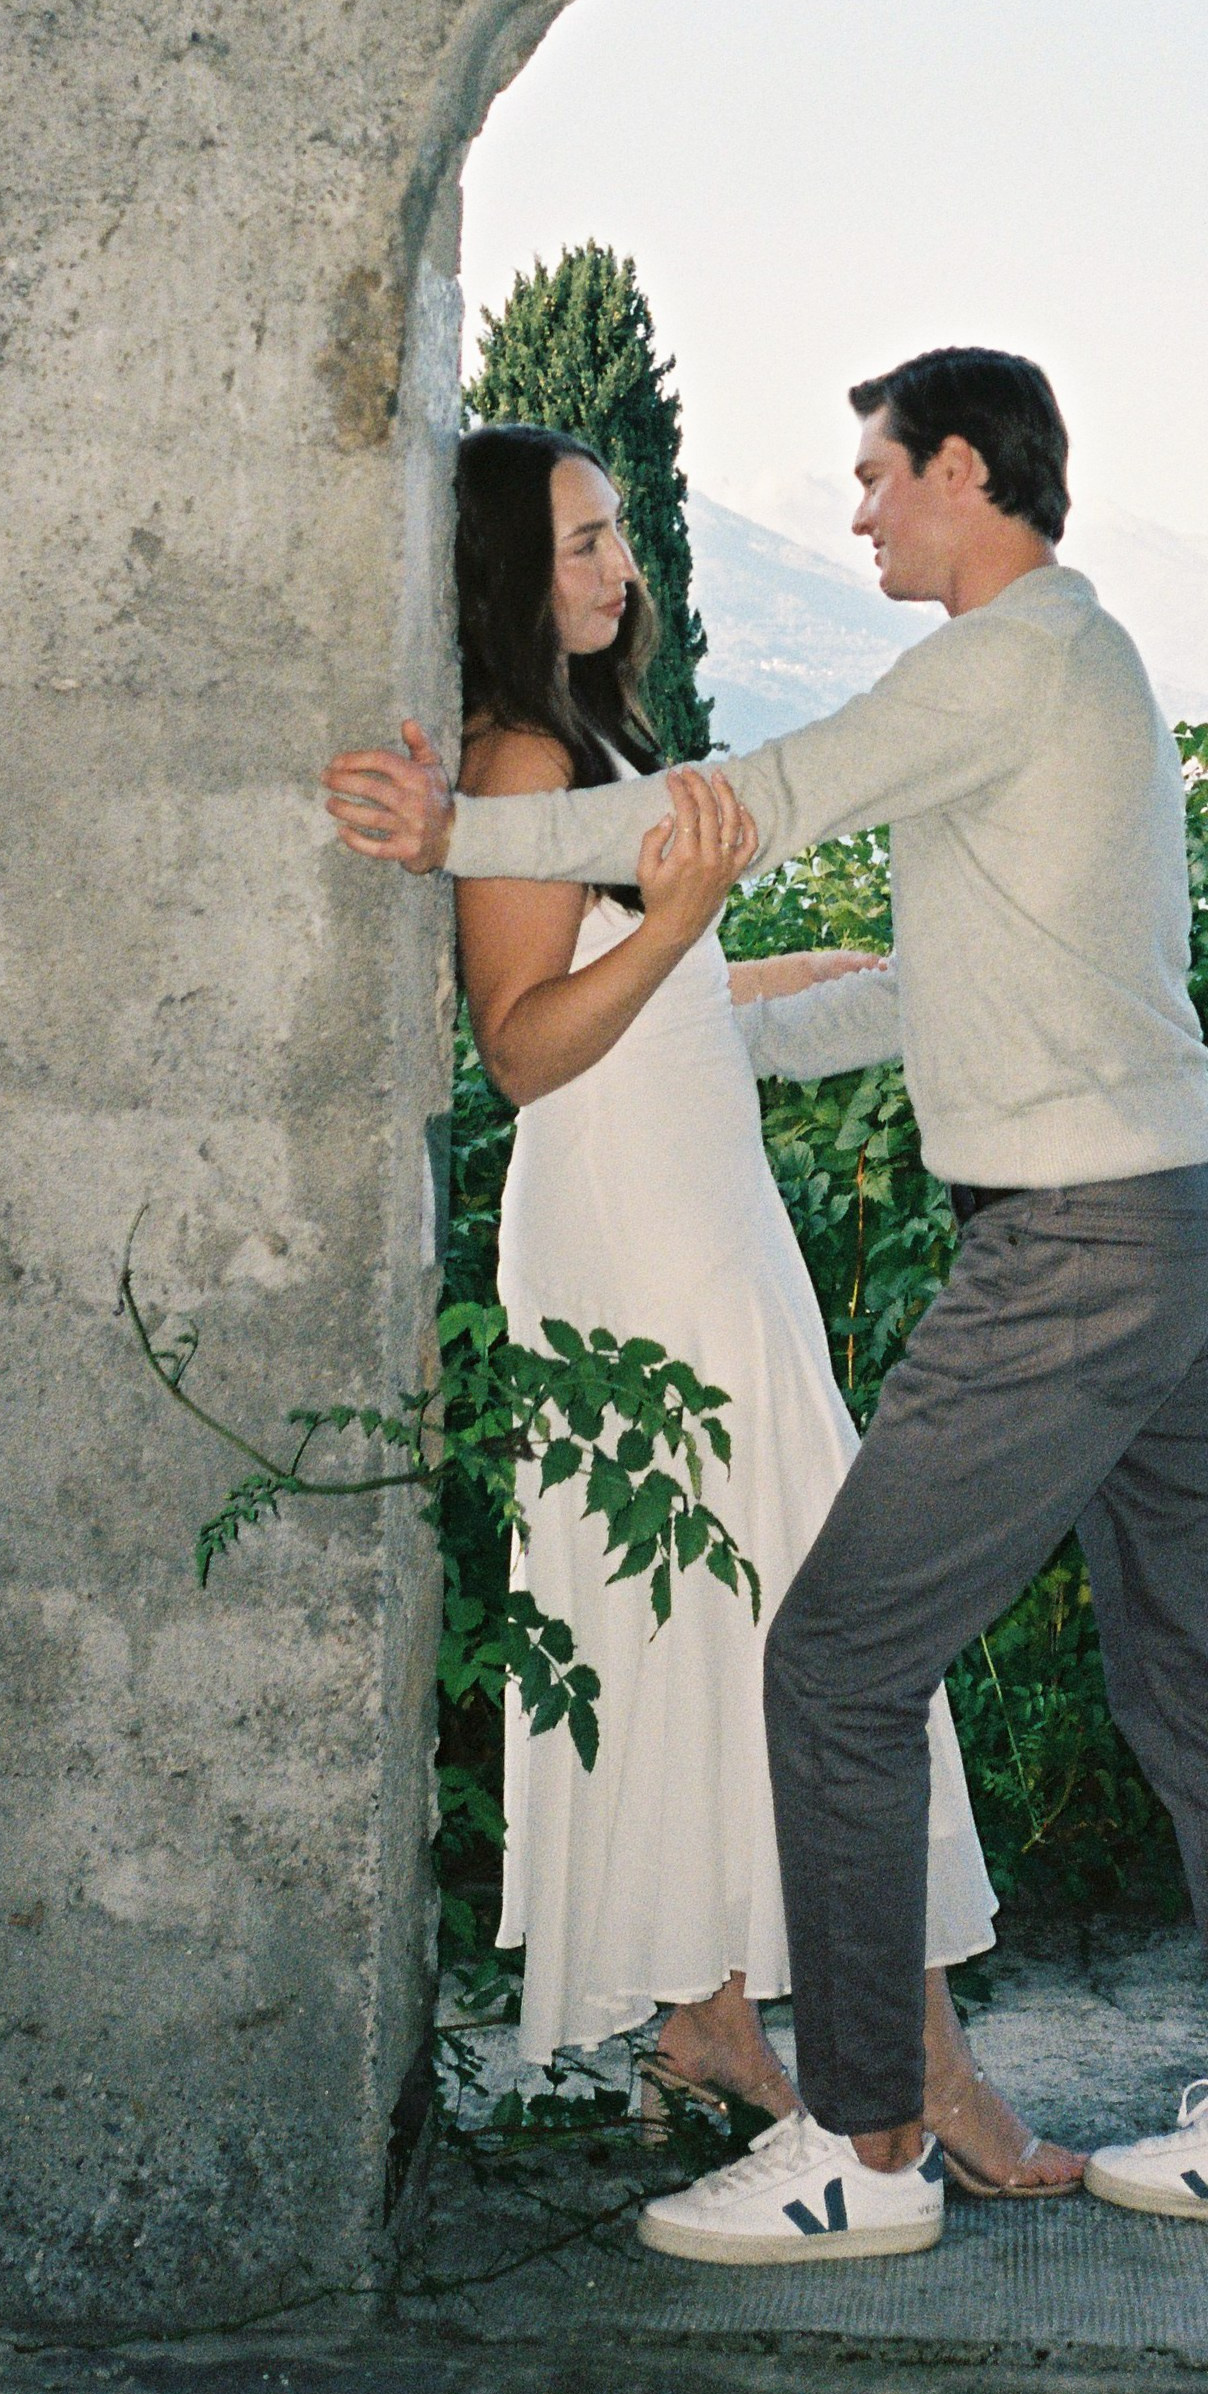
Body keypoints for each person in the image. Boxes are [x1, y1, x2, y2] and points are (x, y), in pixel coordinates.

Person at [326, 354, 1208, 2271]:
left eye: (877, 477)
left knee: (834, 1666)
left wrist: (445, 834)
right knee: (1196, 1681)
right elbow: (911, 989)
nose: (859, 510)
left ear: (962, 470)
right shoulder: (1095, 667)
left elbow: (764, 804)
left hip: (1074, 1245)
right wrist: (717, 998)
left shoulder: (996, 661)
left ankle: (864, 2147)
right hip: (1196, 1213)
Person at [435, 421, 1083, 2201]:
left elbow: (692, 1000)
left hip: (710, 1243)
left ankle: (714, 2019)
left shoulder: (593, 747)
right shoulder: (508, 756)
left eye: (615, 532)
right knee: (799, 1627)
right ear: (507, 568)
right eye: (578, 540)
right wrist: (680, 916)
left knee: (748, 1637)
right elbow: (522, 1049)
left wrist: (906, 977)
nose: (617, 565)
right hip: (630, 1259)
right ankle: (922, 2066)